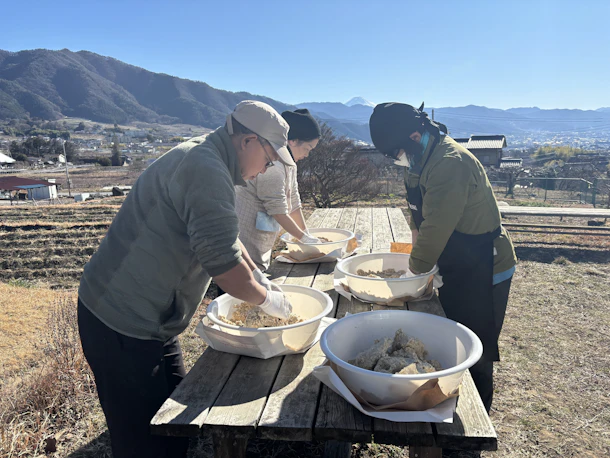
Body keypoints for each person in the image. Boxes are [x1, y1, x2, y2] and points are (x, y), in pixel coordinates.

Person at [78, 100, 295, 458]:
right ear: (248, 142)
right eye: (269, 160)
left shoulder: (212, 158)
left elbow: (225, 236)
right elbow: (226, 269)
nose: (265, 170)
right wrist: (269, 300)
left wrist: (259, 276)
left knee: (175, 419)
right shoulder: (205, 169)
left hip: (155, 321)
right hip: (119, 321)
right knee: (142, 442)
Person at [369, 102, 517, 412]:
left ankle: (475, 416)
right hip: (455, 258)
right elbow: (418, 220)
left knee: (475, 346)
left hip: (485, 263)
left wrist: (415, 273)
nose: (397, 159)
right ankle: (445, 402)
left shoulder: (450, 163)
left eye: (396, 152)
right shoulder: (418, 159)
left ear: (414, 136)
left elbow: (436, 227)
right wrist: (417, 266)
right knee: (449, 337)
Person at [235, 108, 321, 271]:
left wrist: (306, 235)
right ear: (292, 141)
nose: (307, 154)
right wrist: (303, 239)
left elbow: (294, 202)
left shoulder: (290, 163)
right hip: (245, 239)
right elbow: (278, 210)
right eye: (307, 148)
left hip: (262, 238)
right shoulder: (274, 166)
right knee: (246, 277)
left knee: (258, 271)